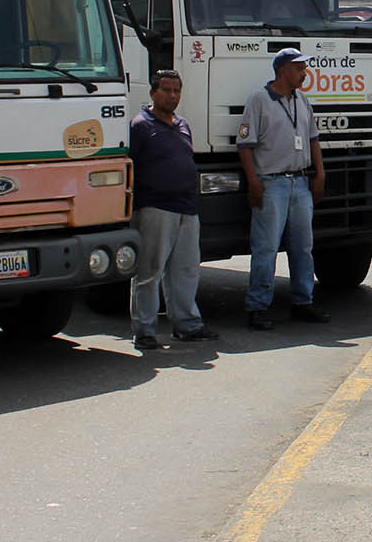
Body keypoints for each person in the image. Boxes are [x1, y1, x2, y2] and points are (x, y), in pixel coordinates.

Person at [237, 48, 330, 330]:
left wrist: (320, 174)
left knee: (303, 246)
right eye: (299, 68)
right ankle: (257, 307)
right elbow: (245, 145)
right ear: (282, 71)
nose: (304, 73)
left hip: (300, 182)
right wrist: (254, 181)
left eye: (304, 68)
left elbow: (313, 139)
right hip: (272, 182)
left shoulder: (302, 100)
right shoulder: (259, 100)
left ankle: (303, 301)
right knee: (265, 247)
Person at [128, 70, 218, 350]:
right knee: (149, 271)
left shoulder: (183, 125)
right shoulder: (140, 126)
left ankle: (187, 325)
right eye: (166, 90)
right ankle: (145, 331)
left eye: (177, 90)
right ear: (153, 92)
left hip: (187, 208)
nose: (172, 96)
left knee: (187, 270)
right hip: (155, 207)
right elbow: (131, 168)